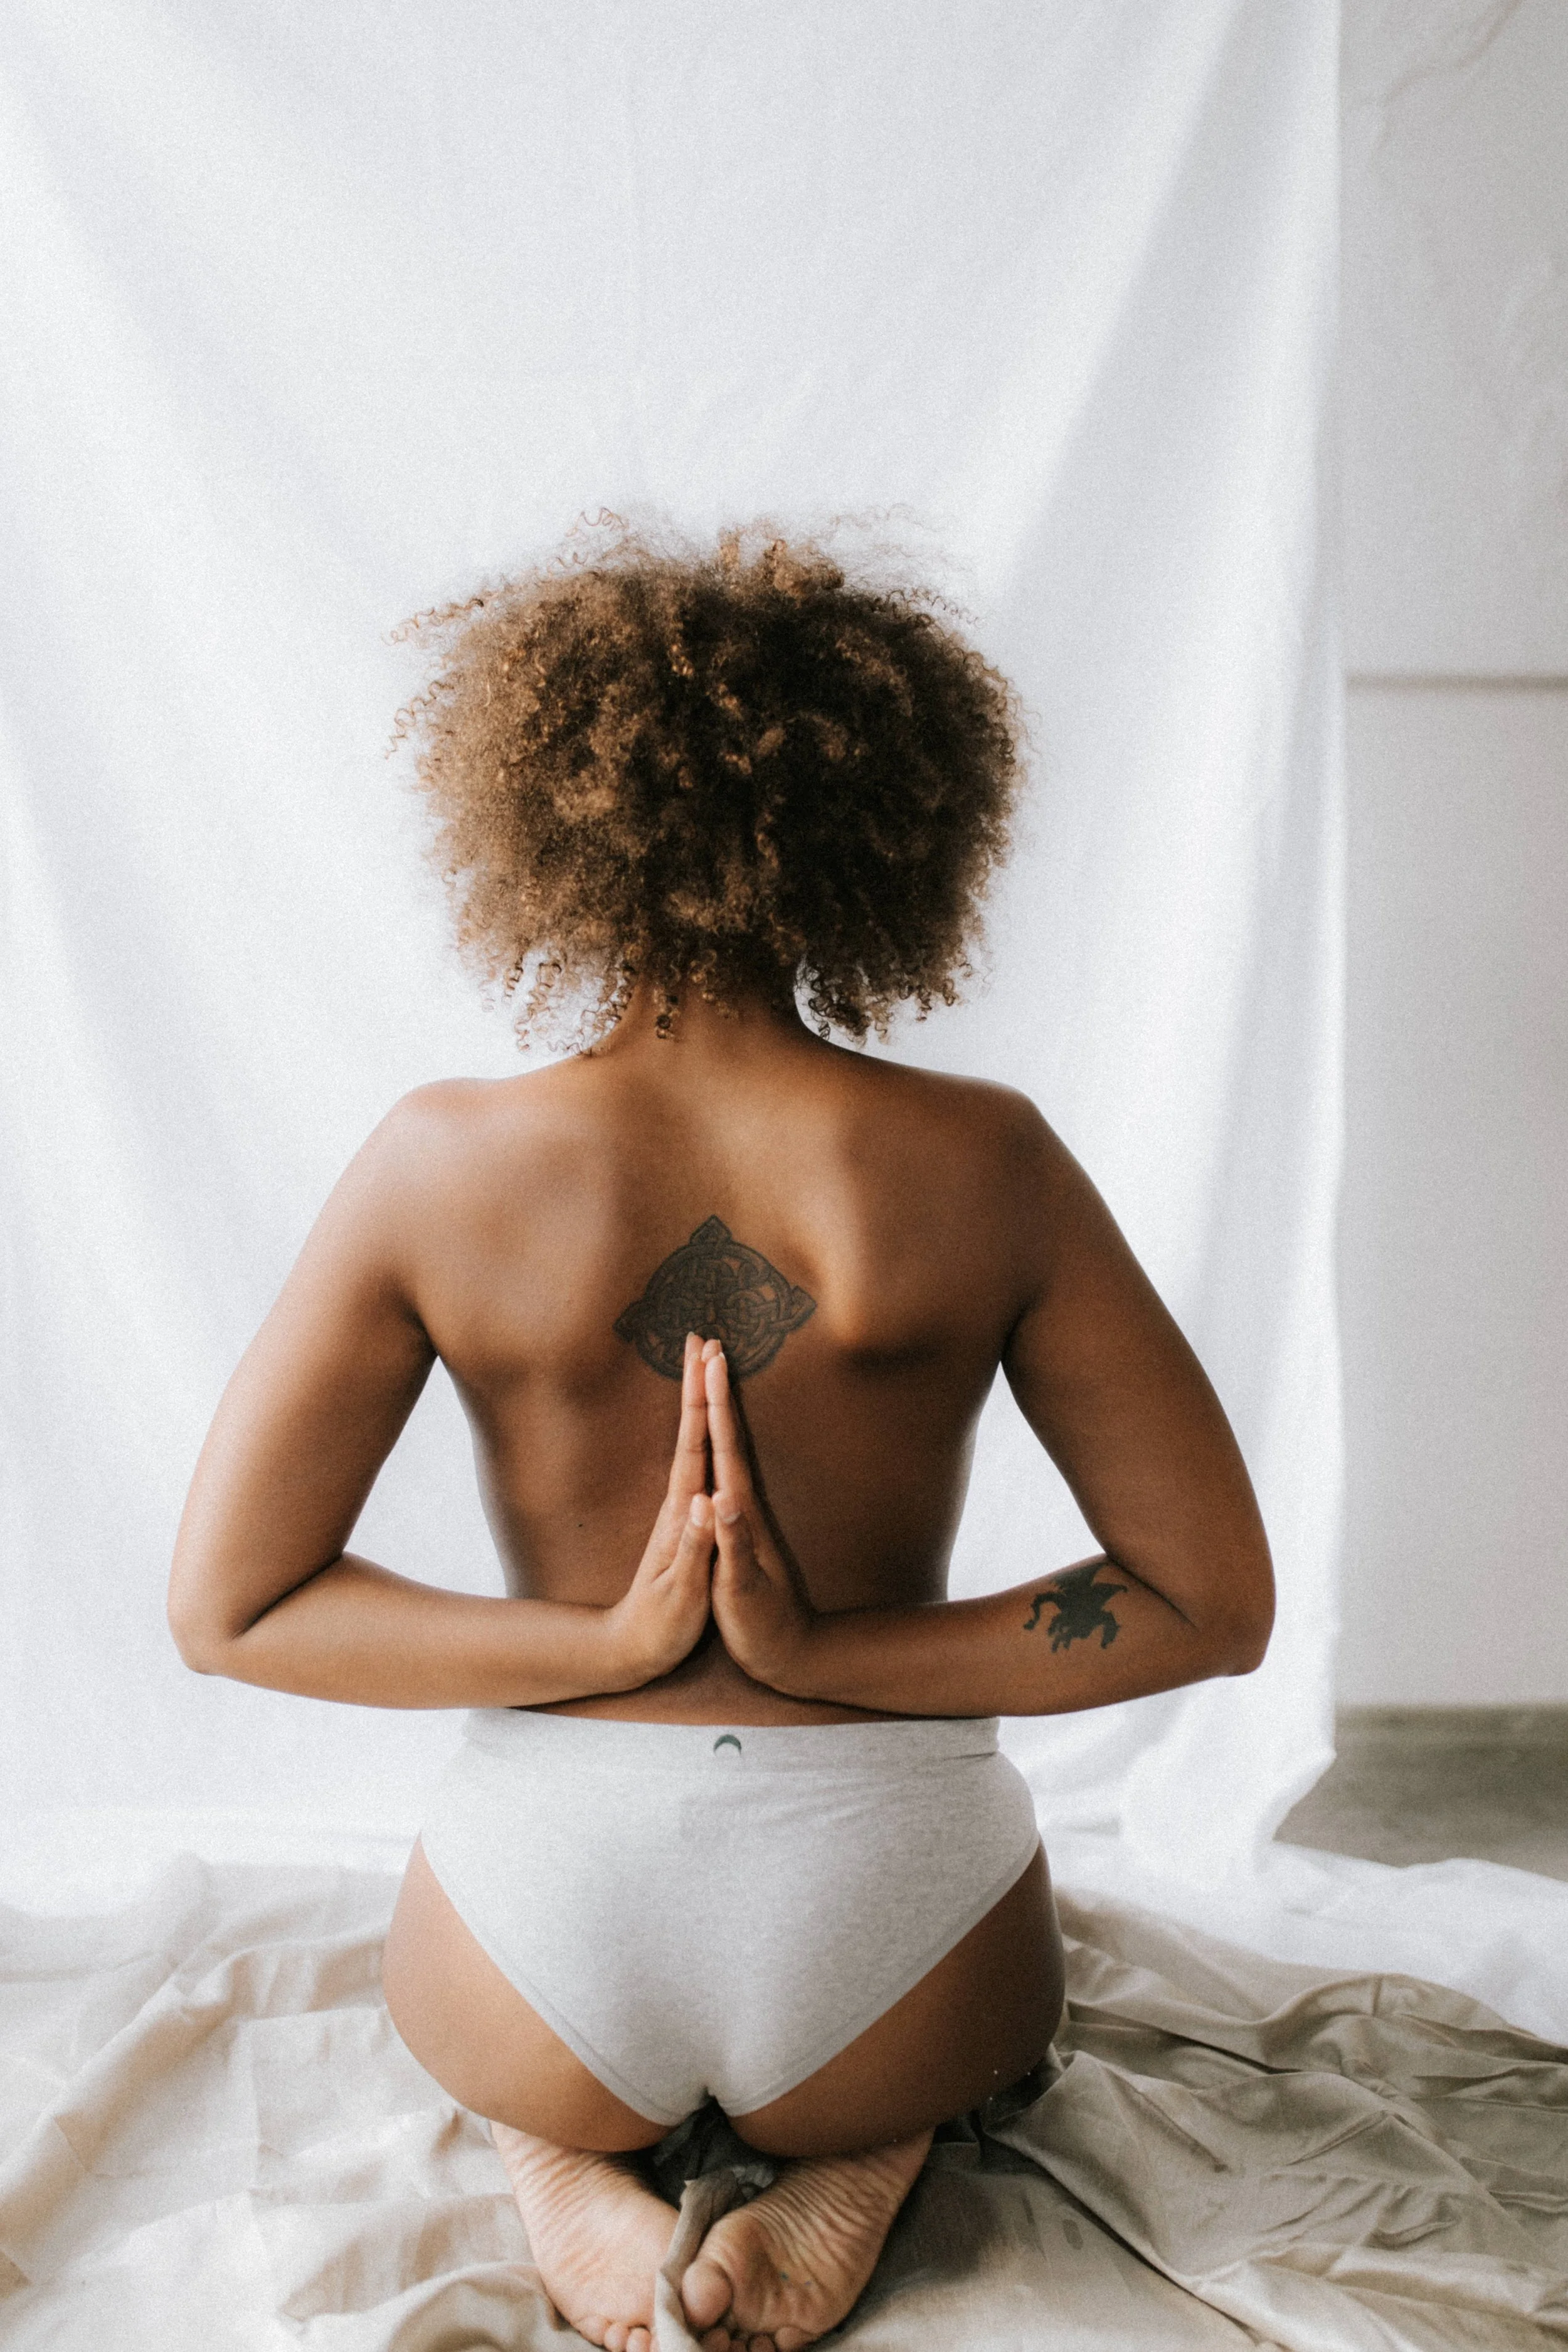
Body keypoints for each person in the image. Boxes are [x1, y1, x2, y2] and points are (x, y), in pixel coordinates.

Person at [167, 525, 1274, 2352]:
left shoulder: (442, 1164)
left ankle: (558, 2166)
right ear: (897, 822)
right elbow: (1204, 1598)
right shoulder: (980, 1158)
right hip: (890, 1927)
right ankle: (864, 2152)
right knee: (915, 2056)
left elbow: (232, 1604)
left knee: (523, 2056)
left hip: (546, 1922)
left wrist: (600, 1648)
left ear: (542, 820)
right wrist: (830, 1655)